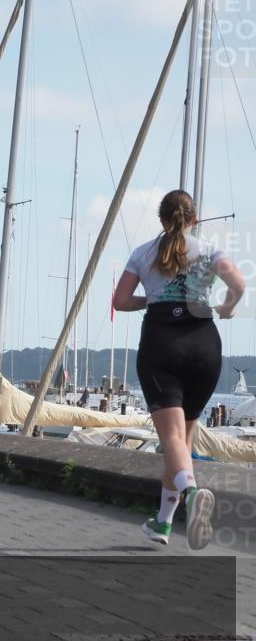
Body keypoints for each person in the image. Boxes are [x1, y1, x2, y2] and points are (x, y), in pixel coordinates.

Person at [113, 189, 245, 549]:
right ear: (194, 219)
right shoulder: (209, 250)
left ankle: (193, 491)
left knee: (171, 438)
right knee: (183, 441)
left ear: (161, 219)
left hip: (162, 343)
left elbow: (120, 301)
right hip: (204, 345)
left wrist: (151, 297)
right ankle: (163, 523)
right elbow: (238, 283)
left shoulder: (142, 253)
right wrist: (229, 308)